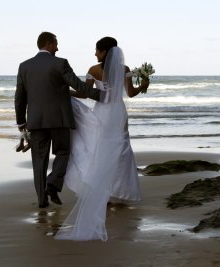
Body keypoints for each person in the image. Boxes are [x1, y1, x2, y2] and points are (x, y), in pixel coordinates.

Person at [55, 37, 149, 241]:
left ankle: (101, 191)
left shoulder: (94, 69)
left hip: (103, 113)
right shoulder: (124, 68)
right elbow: (131, 94)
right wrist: (144, 84)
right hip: (118, 112)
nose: (95, 54)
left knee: (100, 149)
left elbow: (84, 93)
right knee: (121, 150)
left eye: (97, 50)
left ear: (105, 51)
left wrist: (65, 91)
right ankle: (119, 192)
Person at [15, 32, 108, 209]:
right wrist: (103, 95)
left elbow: (20, 97)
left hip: (36, 121)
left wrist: (21, 122)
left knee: (39, 161)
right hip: (60, 119)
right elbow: (78, 86)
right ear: (49, 43)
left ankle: (42, 200)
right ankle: (52, 183)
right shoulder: (60, 63)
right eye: (56, 44)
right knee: (63, 152)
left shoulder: (24, 66)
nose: (57, 48)